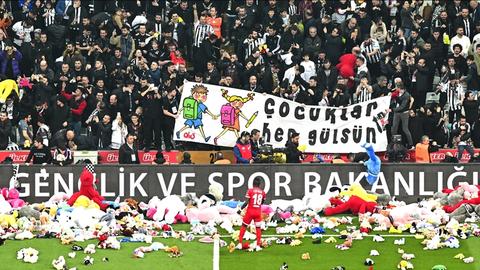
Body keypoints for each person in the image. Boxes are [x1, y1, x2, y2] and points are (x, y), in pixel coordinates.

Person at [236, 177, 266, 251]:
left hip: (250, 211)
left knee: (244, 226)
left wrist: (240, 209)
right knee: (258, 228)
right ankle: (258, 246)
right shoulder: (263, 192)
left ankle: (240, 243)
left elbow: (247, 202)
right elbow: (262, 202)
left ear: (253, 184)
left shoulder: (250, 191)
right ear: (259, 184)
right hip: (258, 212)